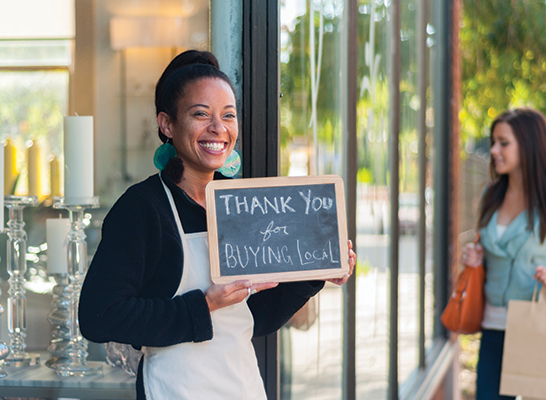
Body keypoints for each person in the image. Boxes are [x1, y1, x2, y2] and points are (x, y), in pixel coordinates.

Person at [78, 50, 356, 400]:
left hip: (243, 388)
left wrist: (318, 270)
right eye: (200, 114)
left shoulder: (241, 206)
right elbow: (99, 316)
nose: (218, 129)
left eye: (228, 116)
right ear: (167, 124)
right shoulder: (143, 208)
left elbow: (255, 318)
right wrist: (203, 305)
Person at [461, 108, 546, 400]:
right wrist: (473, 257)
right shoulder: (490, 196)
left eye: (504, 143)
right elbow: (484, 248)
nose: (493, 150)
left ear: (528, 146)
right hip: (492, 329)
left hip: (537, 330)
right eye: (494, 142)